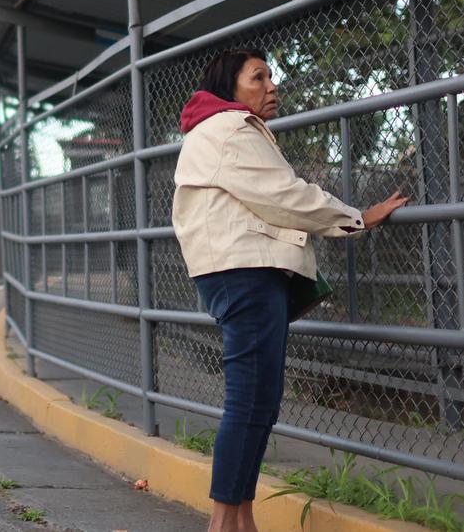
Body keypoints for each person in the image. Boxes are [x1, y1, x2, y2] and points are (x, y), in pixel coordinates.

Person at [171, 48, 408, 532]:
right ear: (230, 88)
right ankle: (222, 525)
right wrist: (358, 218)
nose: (271, 86)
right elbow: (285, 196)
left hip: (239, 271)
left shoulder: (216, 129)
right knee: (249, 400)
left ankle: (241, 519)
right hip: (247, 271)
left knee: (259, 401)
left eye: (271, 76)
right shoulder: (231, 129)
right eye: (258, 77)